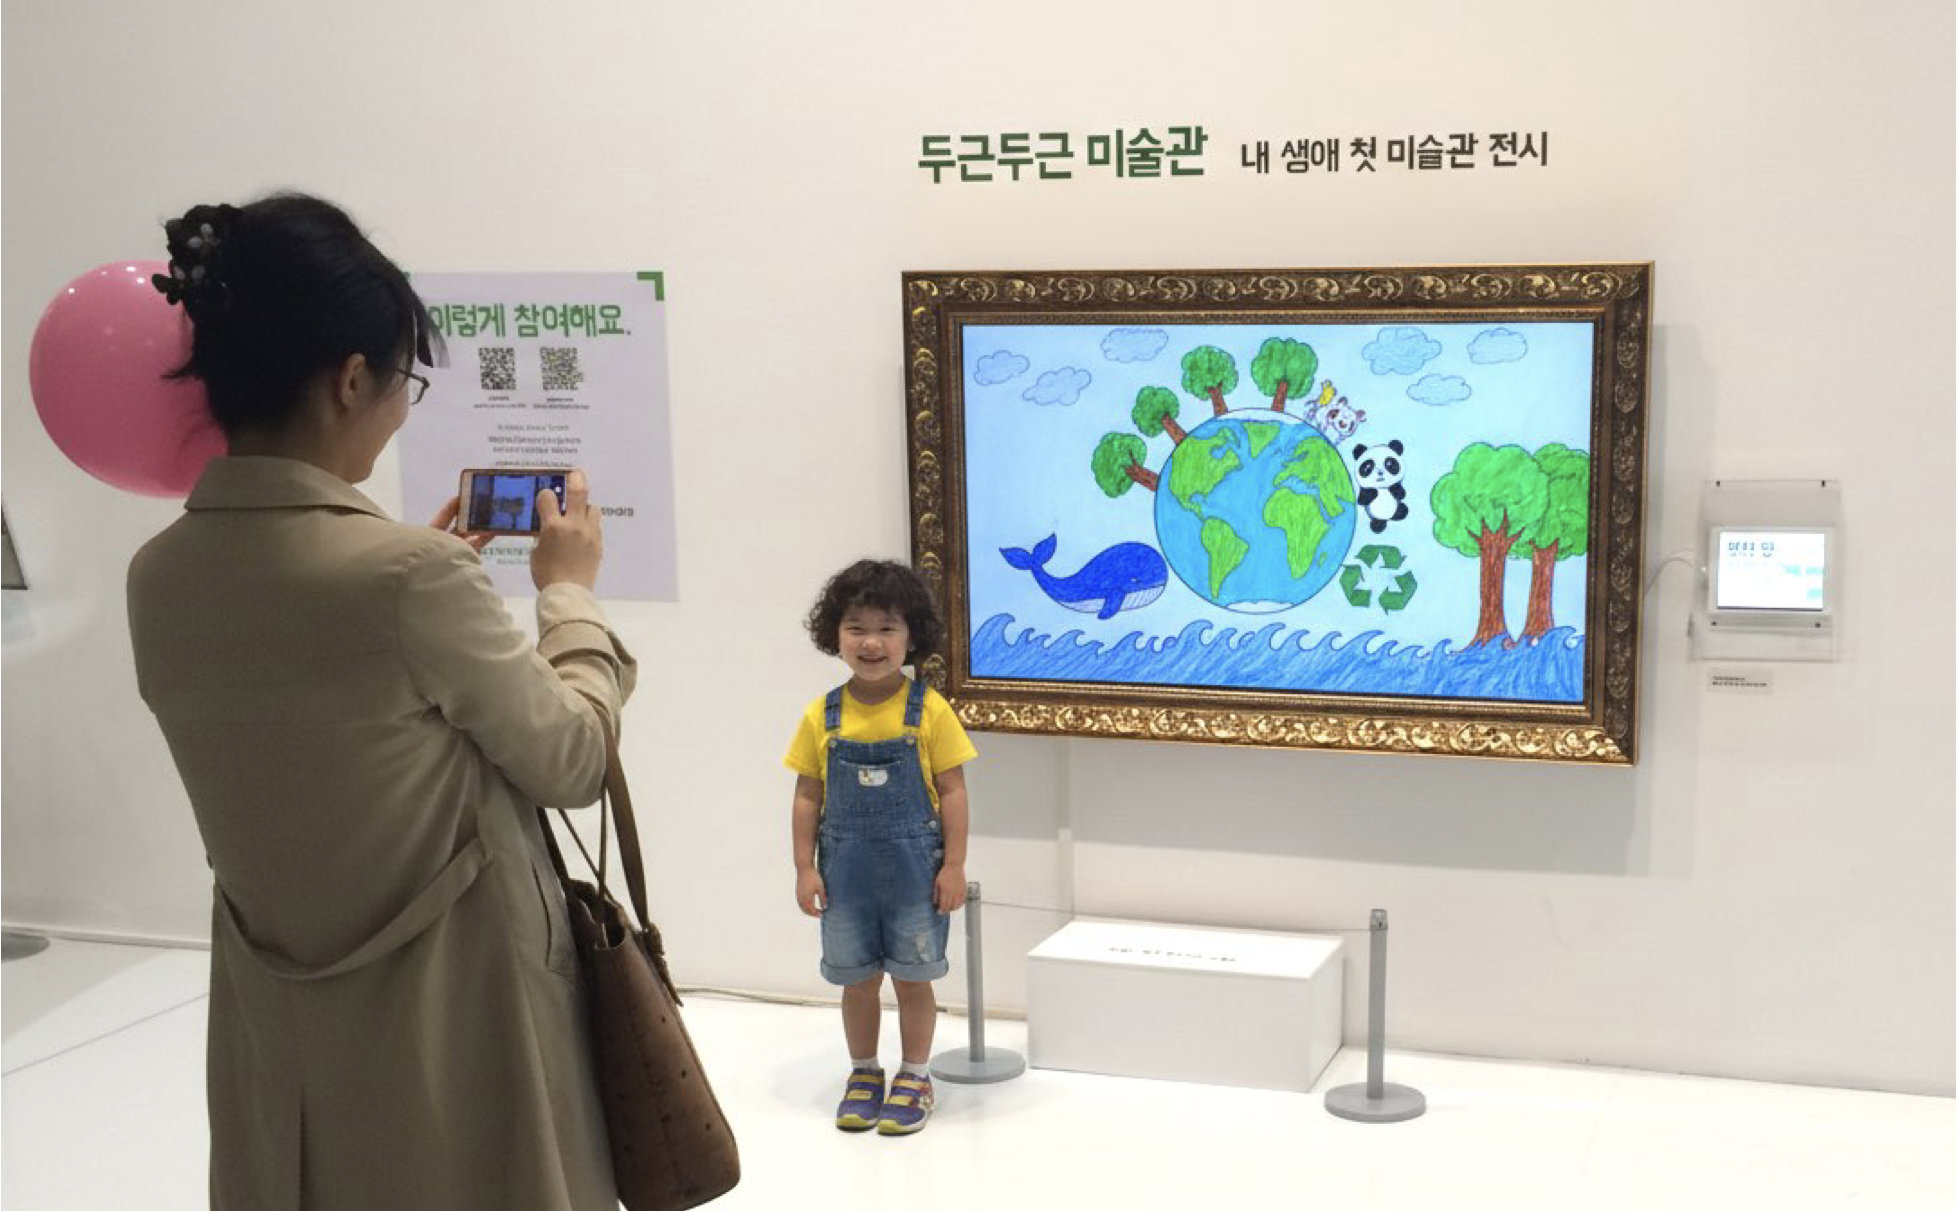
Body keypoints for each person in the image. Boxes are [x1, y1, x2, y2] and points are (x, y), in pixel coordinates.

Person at [125, 193, 635, 1209]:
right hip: (457, 1023)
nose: (402, 407)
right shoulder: (409, 579)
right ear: (351, 378)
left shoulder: (158, 573)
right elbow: (573, 761)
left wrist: (420, 579)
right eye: (405, 379)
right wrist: (569, 595)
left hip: (279, 1023)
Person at [783, 559, 975, 1135]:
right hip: (846, 878)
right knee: (857, 981)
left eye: (887, 628)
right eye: (856, 627)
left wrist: (955, 865)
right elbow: (807, 797)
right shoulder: (822, 715)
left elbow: (952, 791)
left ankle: (915, 1076)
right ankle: (864, 1071)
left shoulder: (930, 710)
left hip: (917, 875)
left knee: (914, 980)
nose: (871, 642)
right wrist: (803, 868)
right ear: (834, 635)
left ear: (912, 636)